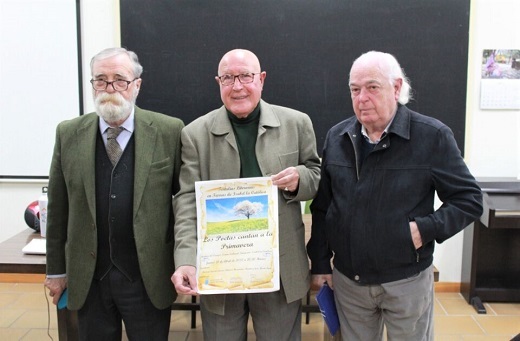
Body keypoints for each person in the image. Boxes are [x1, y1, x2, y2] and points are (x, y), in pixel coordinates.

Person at [307, 51, 483, 341]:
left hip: (406, 282)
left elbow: (469, 200)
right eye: (355, 89)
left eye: (372, 87)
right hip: (350, 283)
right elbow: (324, 207)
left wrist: (423, 230)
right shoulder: (337, 138)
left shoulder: (432, 136)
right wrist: (322, 262)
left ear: (397, 88)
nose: (362, 98)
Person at [171, 49, 321, 340]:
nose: (237, 86)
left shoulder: (297, 123)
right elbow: (187, 201)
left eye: (245, 76)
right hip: (220, 270)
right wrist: (186, 259)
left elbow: (316, 176)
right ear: (218, 82)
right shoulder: (195, 134)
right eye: (228, 78)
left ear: (261, 79)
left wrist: (298, 179)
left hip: (278, 269)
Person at [44, 47, 184, 340]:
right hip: (89, 278)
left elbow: (185, 205)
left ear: (137, 85)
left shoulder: (169, 131)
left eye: (119, 79)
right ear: (92, 84)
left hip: (146, 279)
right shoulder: (68, 133)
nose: (109, 88)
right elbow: (58, 209)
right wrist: (56, 271)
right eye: (100, 80)